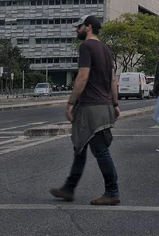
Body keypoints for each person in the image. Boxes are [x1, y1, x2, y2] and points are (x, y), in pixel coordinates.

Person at [50, 15, 120, 205]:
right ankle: (69, 188)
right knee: (79, 148)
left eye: (78, 27)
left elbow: (82, 77)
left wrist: (70, 102)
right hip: (103, 105)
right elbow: (113, 80)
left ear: (88, 27)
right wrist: (114, 104)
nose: (76, 30)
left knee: (100, 150)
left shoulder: (86, 47)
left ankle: (112, 191)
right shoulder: (105, 49)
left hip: (91, 107)